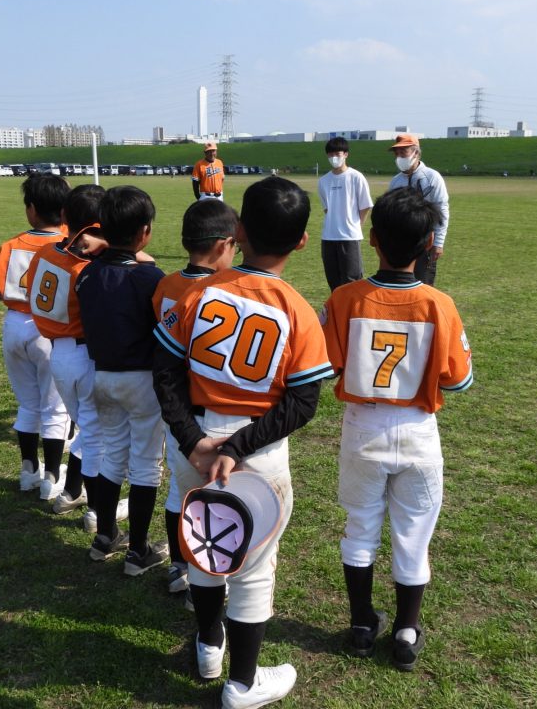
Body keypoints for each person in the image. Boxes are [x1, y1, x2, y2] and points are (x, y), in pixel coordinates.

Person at [153, 176, 334, 709]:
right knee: (253, 566)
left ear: (239, 229)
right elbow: (302, 402)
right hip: (259, 451)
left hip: (195, 440)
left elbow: (165, 374)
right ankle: (242, 683)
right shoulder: (298, 310)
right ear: (302, 241)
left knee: (203, 545)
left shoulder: (198, 292)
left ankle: (209, 645)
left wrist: (194, 441)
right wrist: (236, 448)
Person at [320, 186, 473, 672]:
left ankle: (362, 624)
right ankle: (406, 631)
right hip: (417, 428)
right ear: (428, 243)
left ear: (372, 238)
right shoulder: (439, 303)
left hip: (362, 427)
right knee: (413, 534)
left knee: (360, 528)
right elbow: (459, 380)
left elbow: (326, 366)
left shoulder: (344, 298)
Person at [78, 186, 169, 577]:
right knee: (146, 464)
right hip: (141, 378)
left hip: (102, 375)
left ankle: (105, 536)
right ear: (144, 232)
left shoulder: (87, 273)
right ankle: (138, 551)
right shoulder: (151, 277)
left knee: (113, 454)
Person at [151, 198, 239, 598]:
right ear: (223, 245)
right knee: (218, 495)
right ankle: (212, 573)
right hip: (210, 402)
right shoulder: (226, 289)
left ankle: (179, 566)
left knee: (179, 490)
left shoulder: (167, 284)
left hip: (175, 405)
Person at [25, 183, 110, 519]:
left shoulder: (45, 253)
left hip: (58, 352)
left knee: (87, 429)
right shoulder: (88, 266)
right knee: (97, 436)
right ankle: (97, 514)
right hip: (84, 354)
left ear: (64, 215)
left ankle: (72, 491)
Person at [0, 175, 71, 494]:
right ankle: (52, 478)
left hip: (15, 324)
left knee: (28, 404)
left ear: (31, 209)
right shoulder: (69, 244)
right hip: (50, 328)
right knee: (55, 408)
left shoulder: (11, 245)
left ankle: (28, 470)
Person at [388, 134, 449, 285]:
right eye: (397, 153)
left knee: (423, 284)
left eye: (404, 151)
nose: (399, 156)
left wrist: (438, 242)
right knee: (399, 284)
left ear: (416, 152)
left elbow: (441, 209)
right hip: (400, 243)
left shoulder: (432, 177)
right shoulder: (395, 181)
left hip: (425, 242)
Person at [317, 137, 373, 291]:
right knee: (333, 281)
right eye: (331, 154)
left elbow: (365, 206)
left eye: (338, 154)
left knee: (351, 281)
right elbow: (327, 209)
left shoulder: (356, 177)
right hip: (328, 237)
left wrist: (356, 226)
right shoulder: (323, 181)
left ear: (346, 154)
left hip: (349, 237)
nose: (334, 157)